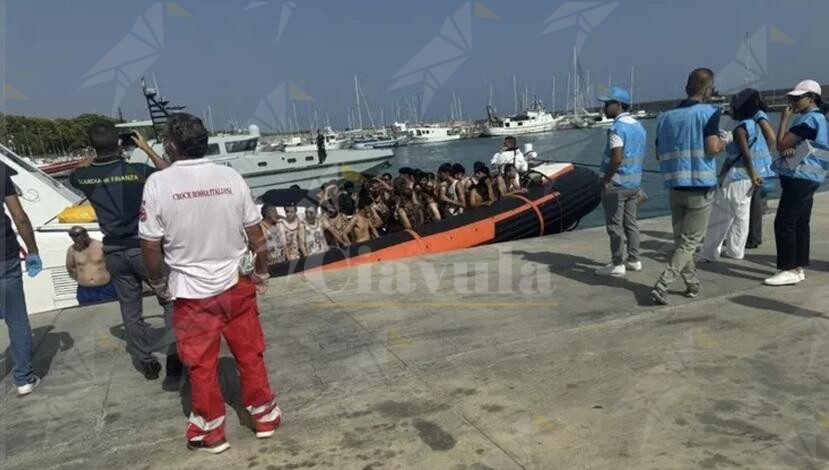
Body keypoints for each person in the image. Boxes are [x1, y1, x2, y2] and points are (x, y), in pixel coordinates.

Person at [139, 113, 280, 454]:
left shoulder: (158, 183)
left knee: (201, 365)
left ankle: (213, 432)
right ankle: (263, 417)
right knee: (250, 354)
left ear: (171, 146)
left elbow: (150, 245)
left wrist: (158, 283)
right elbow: (255, 233)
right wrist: (261, 272)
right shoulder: (230, 176)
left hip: (191, 294)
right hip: (236, 285)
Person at [69, 121, 181, 381]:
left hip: (113, 250)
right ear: (121, 144)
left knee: (131, 310)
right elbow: (169, 174)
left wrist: (93, 156)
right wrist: (146, 149)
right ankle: (175, 356)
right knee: (168, 300)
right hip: (143, 247)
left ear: (94, 147)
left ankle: (146, 361)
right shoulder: (137, 170)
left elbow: (77, 172)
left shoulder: (83, 177)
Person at [651, 68, 726, 305]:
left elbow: (657, 152)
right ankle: (663, 283)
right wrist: (727, 140)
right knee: (690, 242)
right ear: (707, 90)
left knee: (681, 241)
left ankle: (692, 283)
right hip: (700, 186)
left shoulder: (664, 118)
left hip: (675, 185)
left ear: (687, 88)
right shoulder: (709, 113)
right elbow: (712, 148)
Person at [765, 80, 829, 286]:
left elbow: (781, 144)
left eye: (797, 98)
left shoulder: (808, 120)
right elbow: (796, 147)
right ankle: (799, 266)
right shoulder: (820, 120)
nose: (793, 101)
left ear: (811, 98)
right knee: (801, 222)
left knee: (784, 222)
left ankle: (788, 268)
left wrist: (784, 119)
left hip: (801, 177)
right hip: (812, 176)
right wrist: (790, 149)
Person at [698, 89, 774, 263]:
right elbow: (766, 142)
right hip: (751, 178)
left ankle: (708, 253)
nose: (730, 110)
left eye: (732, 108)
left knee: (720, 214)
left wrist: (752, 173)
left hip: (739, 176)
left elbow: (746, 155)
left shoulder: (741, 128)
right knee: (741, 215)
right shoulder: (754, 123)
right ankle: (735, 250)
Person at [593, 87, 647, 277]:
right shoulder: (639, 127)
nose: (604, 107)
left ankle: (617, 263)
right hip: (634, 183)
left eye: (608, 104)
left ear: (618, 105)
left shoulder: (617, 128)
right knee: (631, 224)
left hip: (616, 184)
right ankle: (634, 259)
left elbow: (616, 157)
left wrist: (606, 180)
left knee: (614, 226)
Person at [1, 163, 43, 395]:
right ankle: (23, 379)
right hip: (4, 256)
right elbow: (20, 217)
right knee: (16, 320)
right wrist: (33, 250)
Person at [745, 110, 777, 249]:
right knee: (756, 204)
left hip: (756, 166)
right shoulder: (755, 116)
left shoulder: (757, 115)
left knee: (754, 204)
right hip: (758, 166)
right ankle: (751, 237)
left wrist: (766, 151)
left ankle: (752, 238)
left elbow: (771, 136)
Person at [65, 226, 118, 305]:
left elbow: (113, 263)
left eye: (78, 237)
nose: (77, 241)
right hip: (85, 291)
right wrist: (83, 278)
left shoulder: (100, 246)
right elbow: (71, 268)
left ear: (85, 235)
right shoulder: (72, 250)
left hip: (105, 288)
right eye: (73, 238)